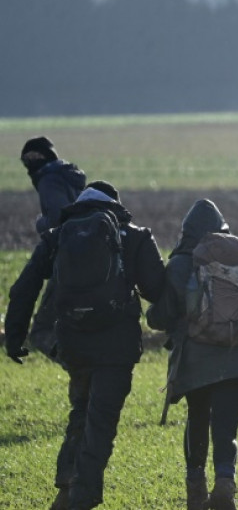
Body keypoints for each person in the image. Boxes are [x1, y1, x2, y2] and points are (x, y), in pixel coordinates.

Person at [4, 181, 165, 510]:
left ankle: (66, 489)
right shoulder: (134, 235)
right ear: (115, 204)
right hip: (117, 347)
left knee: (81, 411)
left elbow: (23, 287)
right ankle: (81, 497)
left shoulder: (58, 235)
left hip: (73, 343)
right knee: (101, 420)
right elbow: (157, 289)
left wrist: (15, 337)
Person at [146, 198, 238, 510]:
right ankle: (225, 483)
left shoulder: (179, 265)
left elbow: (158, 318)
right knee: (226, 424)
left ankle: (196, 489)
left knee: (197, 417)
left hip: (195, 361)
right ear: (223, 228)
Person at [19, 135, 86, 360]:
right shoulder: (70, 177)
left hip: (65, 260)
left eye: (33, 157)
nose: (29, 164)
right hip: (85, 257)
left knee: (41, 332)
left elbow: (58, 218)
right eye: (25, 159)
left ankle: (78, 365)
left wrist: (40, 222)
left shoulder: (49, 180)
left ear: (46, 157)